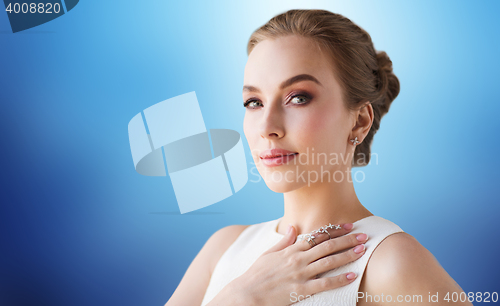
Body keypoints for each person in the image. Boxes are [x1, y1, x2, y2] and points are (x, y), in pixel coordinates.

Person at [165, 9, 471, 306]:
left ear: (359, 121)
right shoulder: (224, 248)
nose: (267, 127)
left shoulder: (390, 262)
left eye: (298, 97)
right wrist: (242, 298)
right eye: (254, 102)